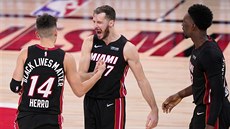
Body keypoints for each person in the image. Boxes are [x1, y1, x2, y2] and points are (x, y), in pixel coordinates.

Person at [10, 13, 106, 129]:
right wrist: (98, 75)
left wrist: (21, 88)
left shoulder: (25, 53)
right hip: (51, 118)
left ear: (37, 34)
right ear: (56, 32)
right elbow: (79, 91)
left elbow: (14, 86)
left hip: (26, 116)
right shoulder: (65, 58)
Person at [78, 5, 158, 129]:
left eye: (99, 22)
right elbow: (81, 76)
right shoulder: (89, 42)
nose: (95, 26)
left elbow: (142, 81)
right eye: (94, 22)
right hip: (90, 102)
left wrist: (154, 109)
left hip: (113, 103)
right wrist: (96, 74)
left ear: (111, 23)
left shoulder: (127, 48)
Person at [162, 4, 230, 129]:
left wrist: (211, 124)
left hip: (213, 112)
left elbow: (218, 93)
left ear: (193, 26)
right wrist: (180, 94)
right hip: (204, 109)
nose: (182, 25)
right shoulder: (200, 46)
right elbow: (204, 84)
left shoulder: (210, 54)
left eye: (184, 22)